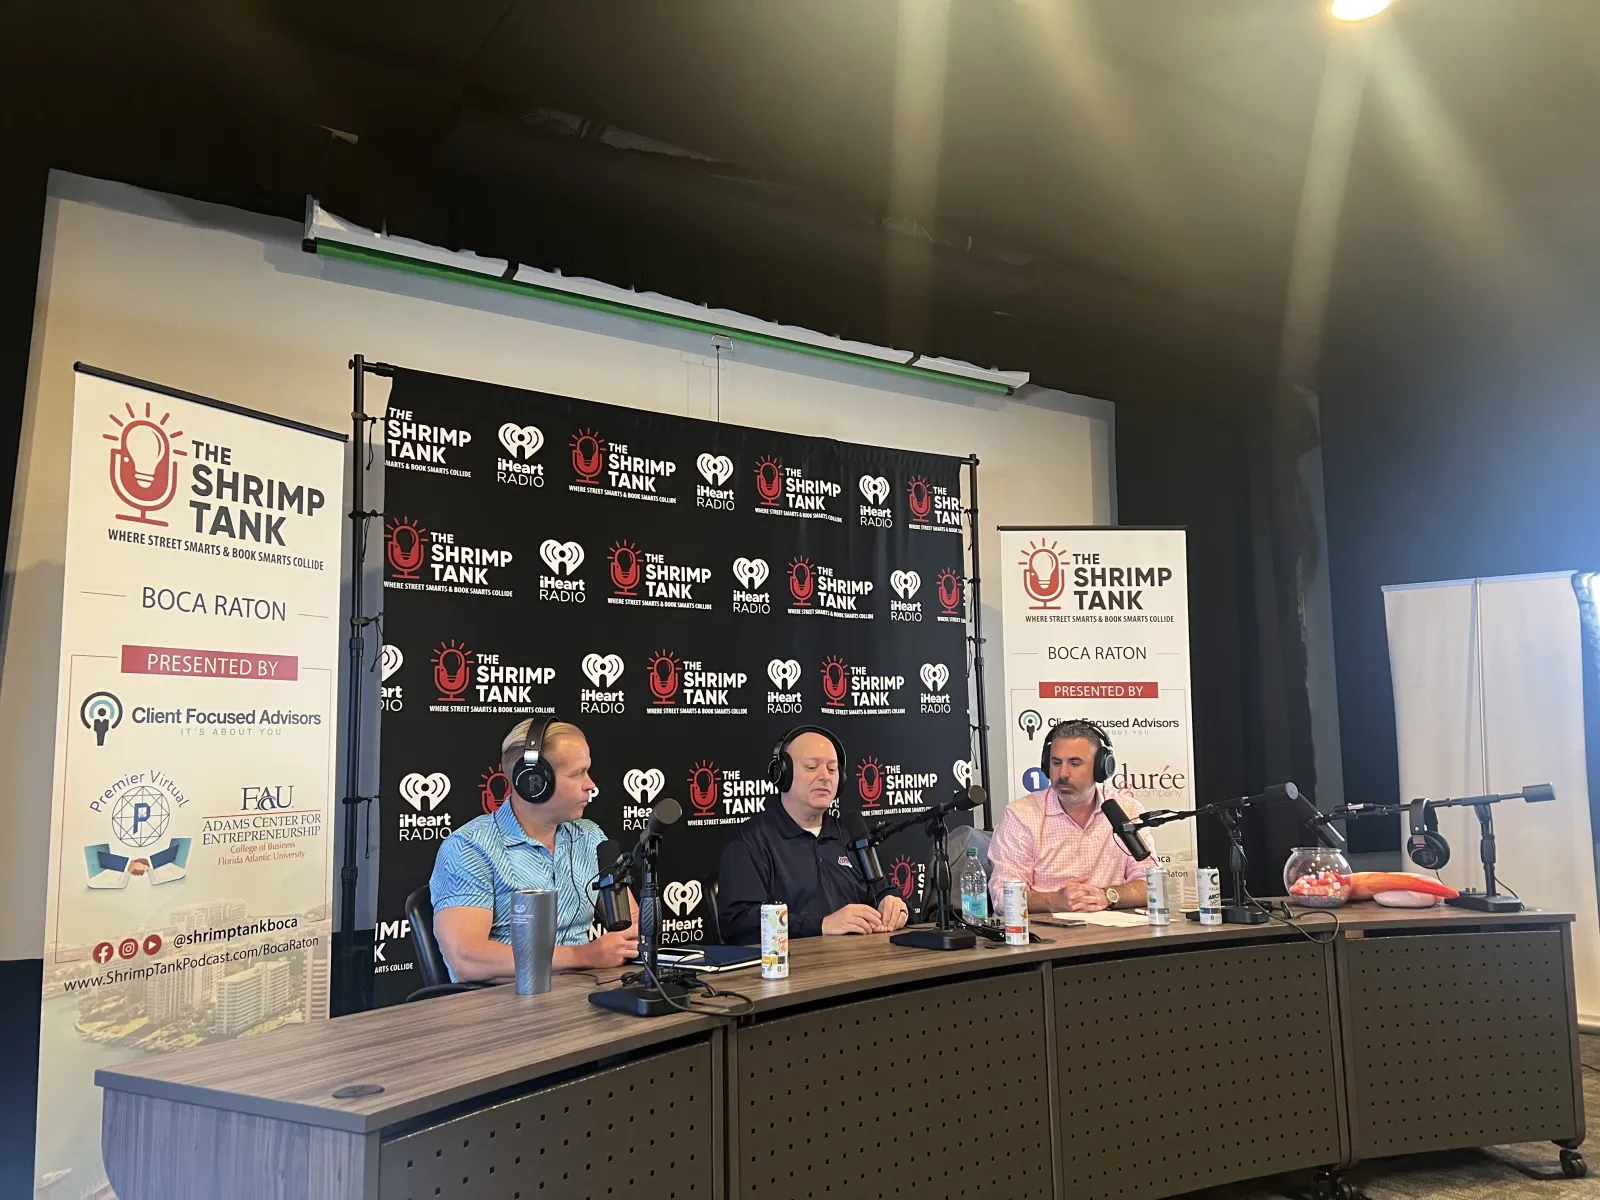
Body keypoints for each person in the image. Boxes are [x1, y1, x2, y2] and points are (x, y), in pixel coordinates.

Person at [430, 717, 637, 982]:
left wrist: (628, 940)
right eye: (577, 774)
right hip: (504, 1007)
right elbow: (467, 958)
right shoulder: (470, 848)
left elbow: (629, 921)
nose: (591, 785)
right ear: (533, 782)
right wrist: (583, 956)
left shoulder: (590, 836)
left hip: (585, 995)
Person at [717, 726, 910, 942]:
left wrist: (892, 902)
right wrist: (822, 925)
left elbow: (882, 889)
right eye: (811, 767)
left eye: (832, 769)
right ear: (782, 773)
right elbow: (740, 922)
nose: (825, 777)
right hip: (790, 970)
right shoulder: (751, 840)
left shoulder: (850, 833)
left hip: (860, 967)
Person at [986, 718, 1152, 913]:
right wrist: (1054, 901)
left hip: (1113, 934)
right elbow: (1002, 897)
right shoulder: (1021, 815)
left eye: (1075, 763)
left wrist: (1107, 895)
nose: (1062, 773)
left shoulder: (1127, 810)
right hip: (1047, 937)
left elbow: (1151, 884)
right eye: (1056, 763)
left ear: (1101, 768)